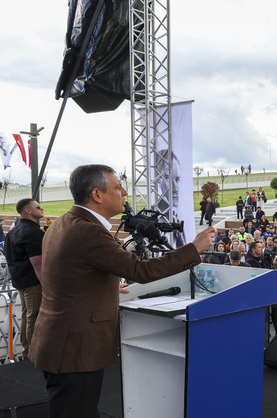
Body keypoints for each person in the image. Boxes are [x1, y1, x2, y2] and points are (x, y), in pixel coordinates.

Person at [29, 164, 216, 418]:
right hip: (75, 349)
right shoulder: (89, 231)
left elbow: (67, 273)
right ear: (97, 194)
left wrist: (104, 284)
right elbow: (141, 271)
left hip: (59, 340)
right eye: (118, 187)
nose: (125, 191)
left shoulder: (64, 221)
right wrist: (194, 249)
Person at [3, 198, 45, 360]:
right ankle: (32, 352)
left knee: (27, 314)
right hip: (33, 281)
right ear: (28, 211)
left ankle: (28, 350)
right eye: (38, 207)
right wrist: (46, 285)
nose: (41, 209)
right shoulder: (31, 232)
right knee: (33, 316)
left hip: (21, 281)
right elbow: (38, 263)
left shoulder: (15, 230)